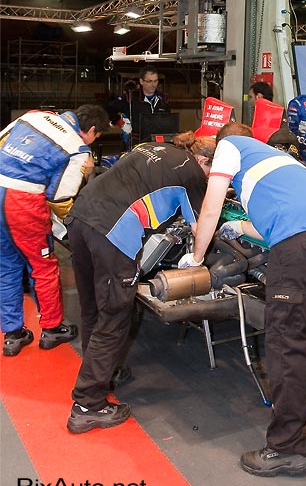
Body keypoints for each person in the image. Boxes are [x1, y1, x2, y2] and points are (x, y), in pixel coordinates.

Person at [179, 122, 306, 477]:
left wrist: (194, 257)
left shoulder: (230, 146)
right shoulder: (275, 159)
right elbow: (275, 222)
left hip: (297, 248)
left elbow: (210, 208)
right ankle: (295, 413)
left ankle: (286, 447)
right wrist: (237, 228)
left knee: (285, 343)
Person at [64, 132, 215, 434]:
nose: (214, 179)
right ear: (202, 160)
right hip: (113, 233)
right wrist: (197, 259)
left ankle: (103, 374)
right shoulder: (193, 174)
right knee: (116, 316)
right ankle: (87, 405)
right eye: (215, 172)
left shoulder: (156, 147)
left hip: (80, 217)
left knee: (94, 305)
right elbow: (203, 225)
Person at [0, 105, 109, 357]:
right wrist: (76, 225)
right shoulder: (78, 149)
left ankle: (13, 335)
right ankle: (51, 328)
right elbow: (59, 199)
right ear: (92, 131)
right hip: (22, 203)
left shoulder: (33, 116)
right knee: (42, 266)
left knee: (6, 266)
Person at [108, 64, 171, 147]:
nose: (153, 84)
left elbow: (168, 120)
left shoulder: (163, 99)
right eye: (149, 81)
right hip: (137, 142)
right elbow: (108, 110)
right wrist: (121, 124)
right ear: (141, 81)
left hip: (158, 142)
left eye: (155, 81)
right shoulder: (130, 97)